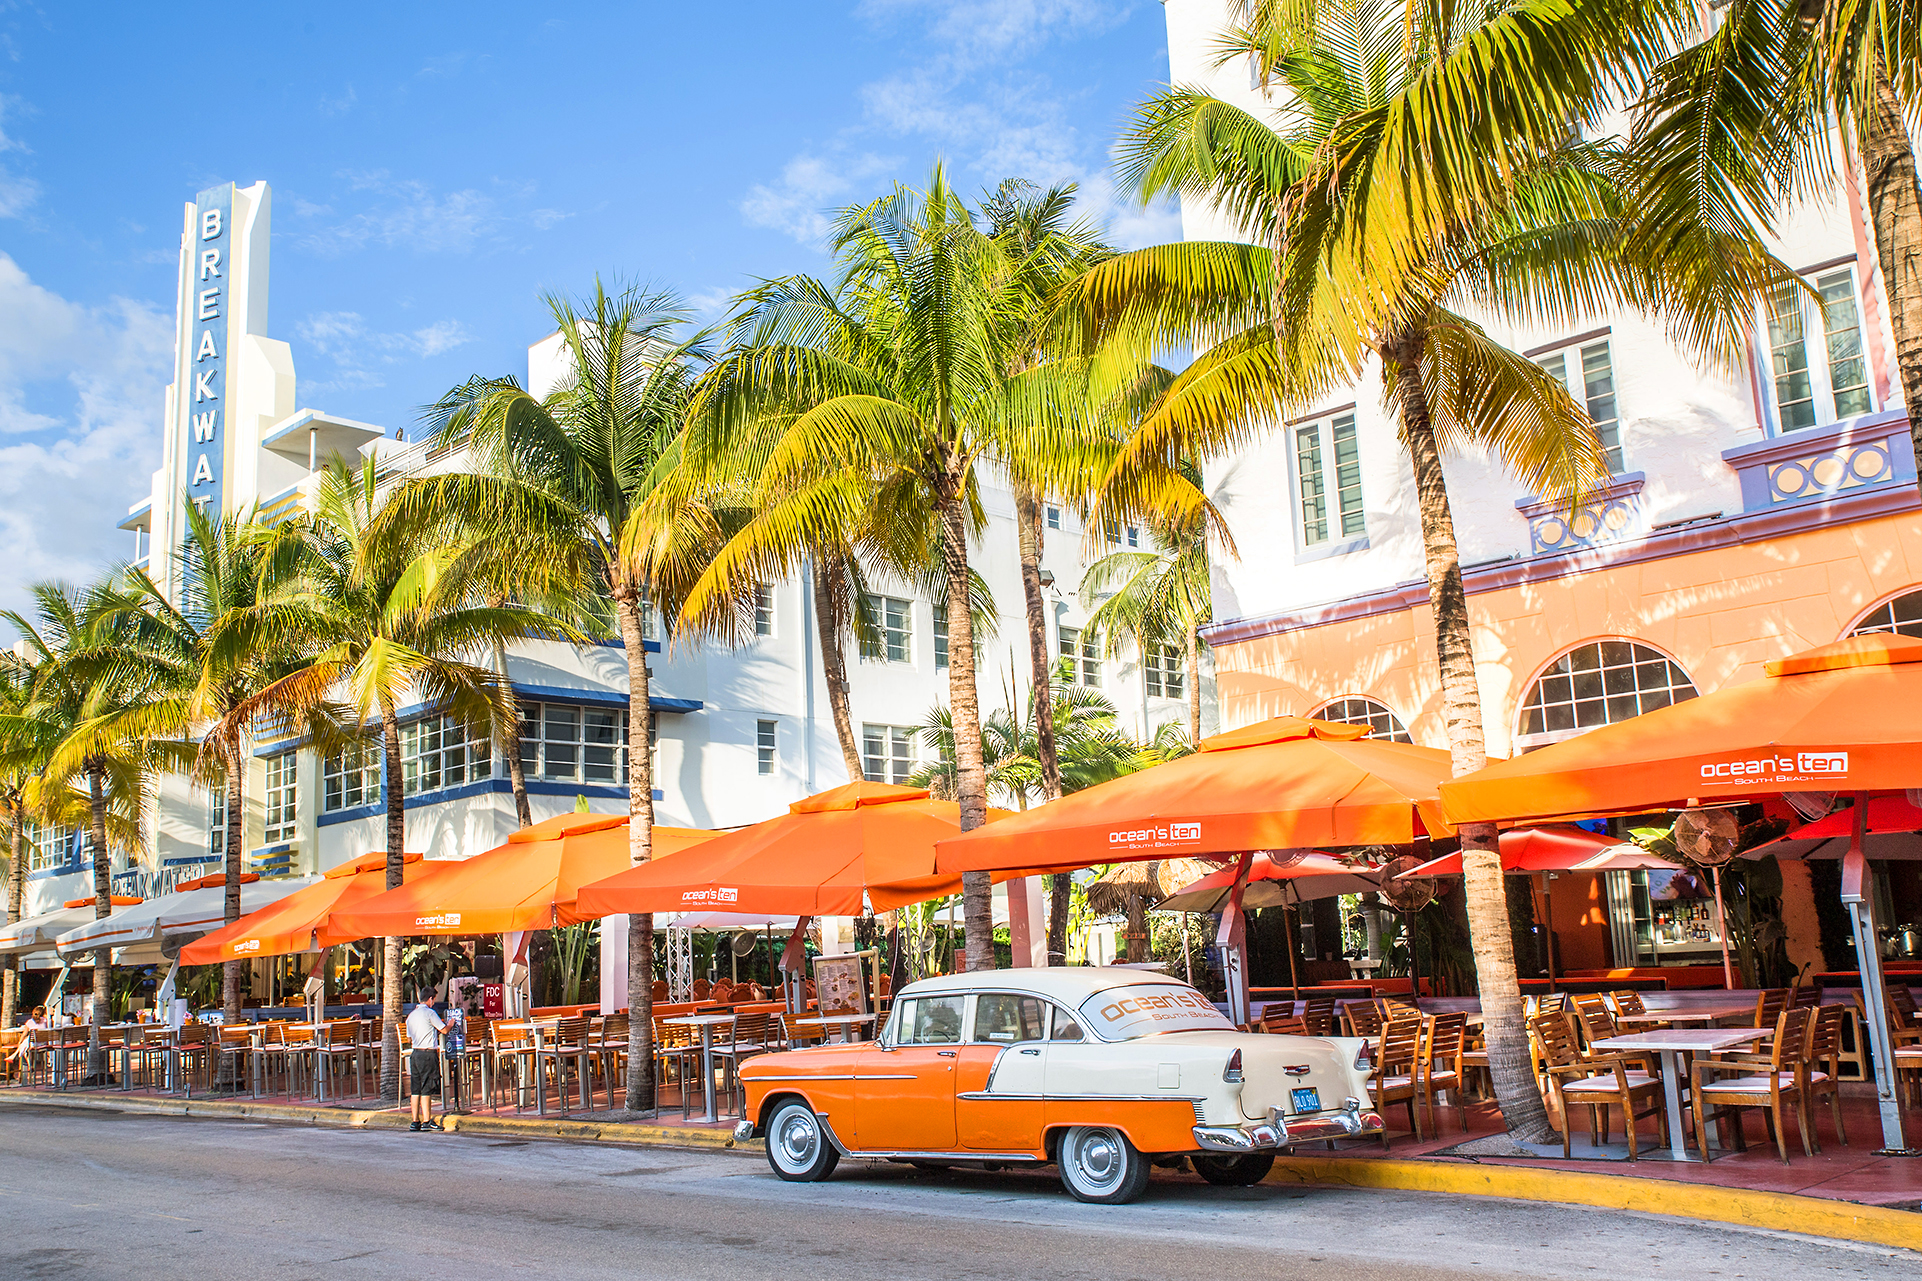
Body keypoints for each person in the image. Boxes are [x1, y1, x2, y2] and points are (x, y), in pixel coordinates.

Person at [404, 985, 446, 1133]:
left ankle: (415, 1121)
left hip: (415, 1053)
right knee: (426, 1088)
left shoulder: (411, 1016)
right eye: (433, 999)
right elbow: (444, 1029)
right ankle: (427, 1120)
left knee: (415, 1088)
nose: (433, 1002)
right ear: (430, 999)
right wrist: (452, 1022)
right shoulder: (430, 1013)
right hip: (428, 1053)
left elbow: (409, 1038)